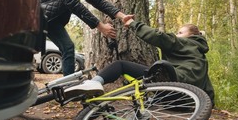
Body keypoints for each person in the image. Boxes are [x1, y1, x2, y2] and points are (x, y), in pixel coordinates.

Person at [65, 19, 215, 106]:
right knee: (153, 76)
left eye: (180, 32)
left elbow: (159, 37)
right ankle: (154, 92)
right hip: (186, 101)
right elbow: (208, 87)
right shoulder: (201, 55)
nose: (177, 35)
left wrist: (133, 24)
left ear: (192, 35)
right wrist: (208, 105)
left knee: (121, 65)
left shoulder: (185, 42)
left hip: (174, 84)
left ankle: (93, 83)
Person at [33, 0, 133, 76]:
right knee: (55, 49)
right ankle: (67, 86)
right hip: (38, 16)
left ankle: (68, 86)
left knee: (68, 48)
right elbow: (74, 5)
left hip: (52, 19)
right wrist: (101, 26)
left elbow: (96, 0)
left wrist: (122, 16)